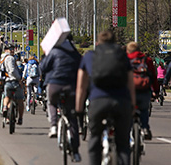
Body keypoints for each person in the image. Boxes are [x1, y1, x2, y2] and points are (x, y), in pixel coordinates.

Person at [76, 29, 134, 165]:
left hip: (98, 101)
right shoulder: (122, 55)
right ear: (115, 43)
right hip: (121, 101)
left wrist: (78, 110)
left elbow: (81, 87)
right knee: (123, 145)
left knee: (95, 139)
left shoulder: (89, 56)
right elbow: (131, 83)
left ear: (97, 43)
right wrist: (132, 106)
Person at [40, 27, 82, 160]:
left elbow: (43, 67)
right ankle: (75, 152)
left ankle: (53, 126)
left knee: (51, 103)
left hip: (55, 85)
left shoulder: (54, 51)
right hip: (71, 87)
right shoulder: (75, 53)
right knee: (72, 117)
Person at [126, 41, 159, 138]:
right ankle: (145, 128)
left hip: (128, 92)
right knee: (144, 109)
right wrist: (156, 91)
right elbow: (153, 77)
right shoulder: (147, 60)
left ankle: (127, 131)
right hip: (144, 90)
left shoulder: (125, 59)